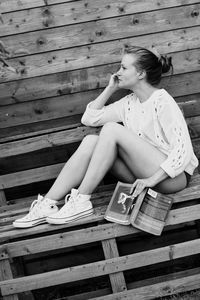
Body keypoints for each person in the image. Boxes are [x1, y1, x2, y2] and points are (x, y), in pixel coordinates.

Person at [13, 45, 199, 228]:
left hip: (172, 179)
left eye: (124, 68)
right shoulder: (128, 103)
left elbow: (183, 151)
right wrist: (110, 89)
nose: (118, 73)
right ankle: (47, 203)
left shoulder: (162, 100)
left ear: (141, 74)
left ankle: (82, 200)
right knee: (91, 141)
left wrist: (151, 180)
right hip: (140, 178)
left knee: (111, 129)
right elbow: (90, 118)